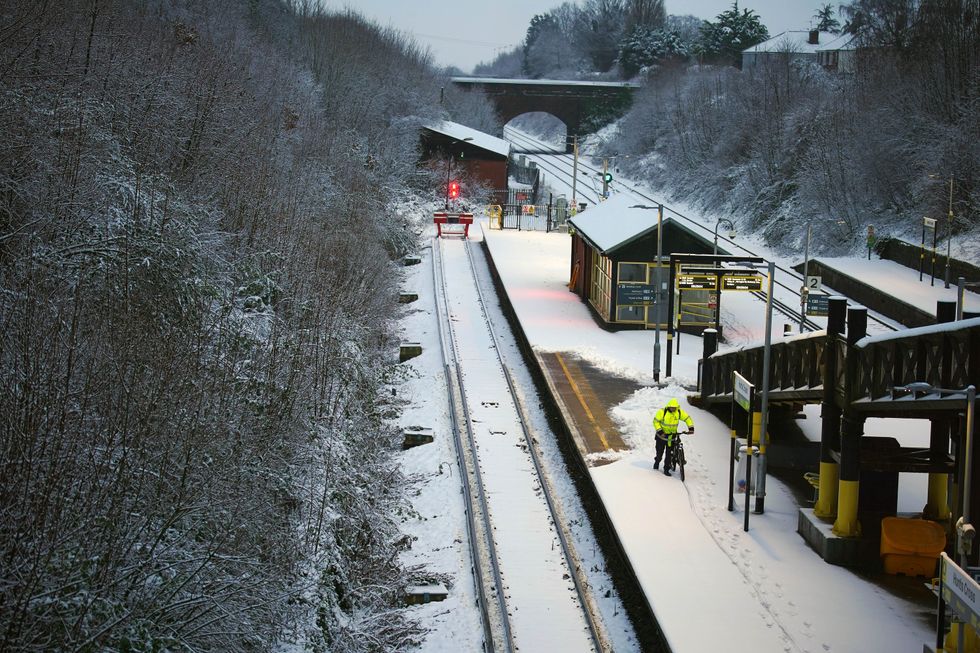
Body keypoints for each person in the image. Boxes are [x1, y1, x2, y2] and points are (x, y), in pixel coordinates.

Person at [653, 398, 694, 476]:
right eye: (672, 407)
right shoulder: (662, 412)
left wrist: (691, 428)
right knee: (659, 454)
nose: (673, 409)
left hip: (671, 437)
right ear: (668, 406)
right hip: (661, 437)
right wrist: (660, 431)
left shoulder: (678, 412)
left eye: (675, 407)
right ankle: (657, 462)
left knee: (669, 454)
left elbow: (687, 418)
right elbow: (655, 421)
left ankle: (666, 469)